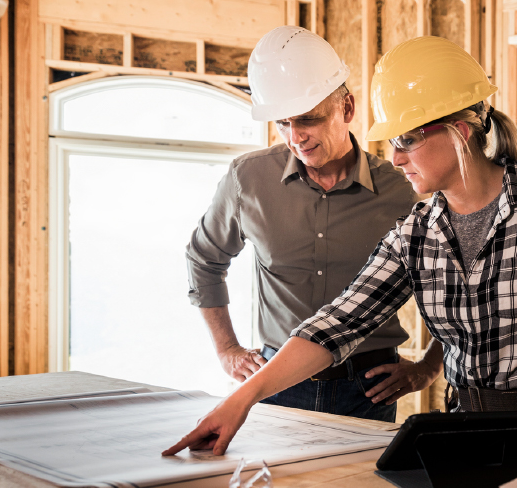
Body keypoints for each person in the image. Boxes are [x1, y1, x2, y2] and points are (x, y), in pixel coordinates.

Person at [167, 36, 517, 462]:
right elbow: (339, 323)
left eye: (408, 140)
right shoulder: (417, 232)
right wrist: (240, 400)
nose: (395, 158)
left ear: (460, 131)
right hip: (468, 423)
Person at [185, 26, 443, 423]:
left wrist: (428, 367)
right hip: (275, 380)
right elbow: (204, 259)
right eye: (282, 123)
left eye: (308, 119)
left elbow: (460, 284)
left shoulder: (403, 189)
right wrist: (227, 349)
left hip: (369, 387)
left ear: (347, 108)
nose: (296, 137)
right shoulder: (248, 180)